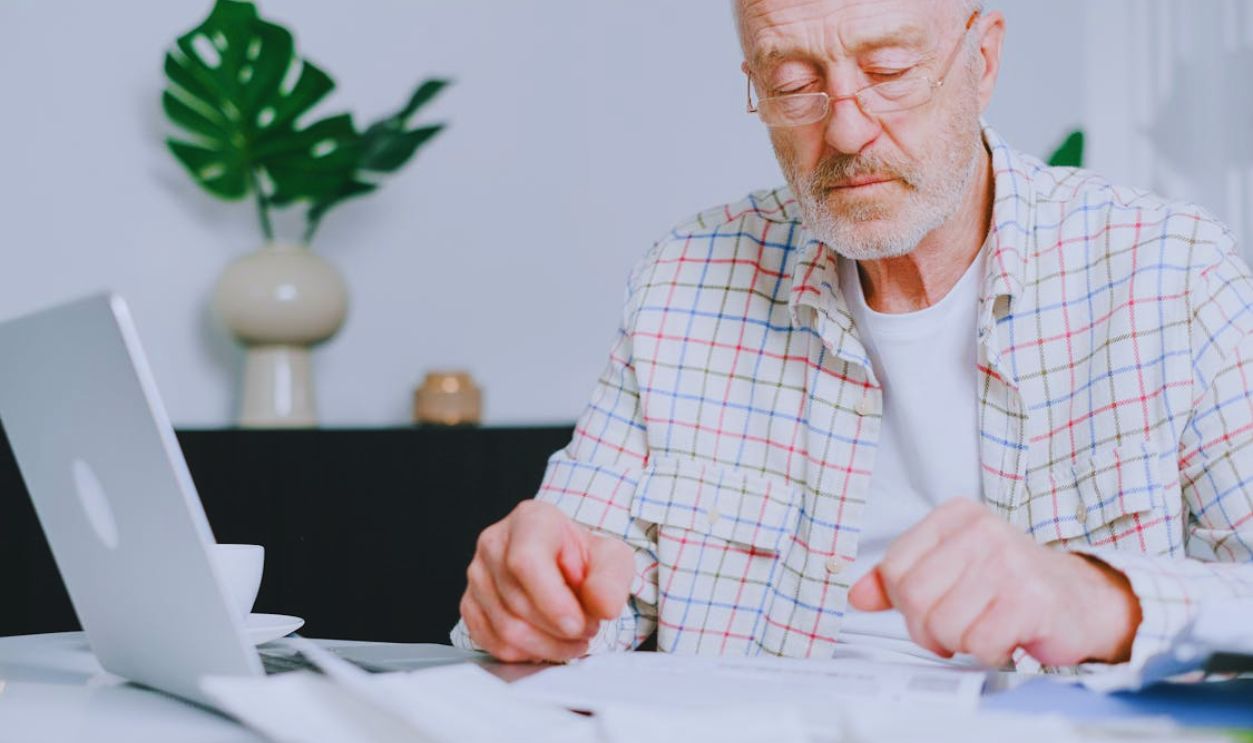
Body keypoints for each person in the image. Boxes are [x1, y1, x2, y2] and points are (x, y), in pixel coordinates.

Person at [452, 0, 1253, 672]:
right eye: (792, 83)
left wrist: (1099, 599)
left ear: (983, 57)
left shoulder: (1167, 270)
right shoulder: (683, 284)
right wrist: (531, 603)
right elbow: (575, 586)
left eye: (889, 73)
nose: (843, 133)